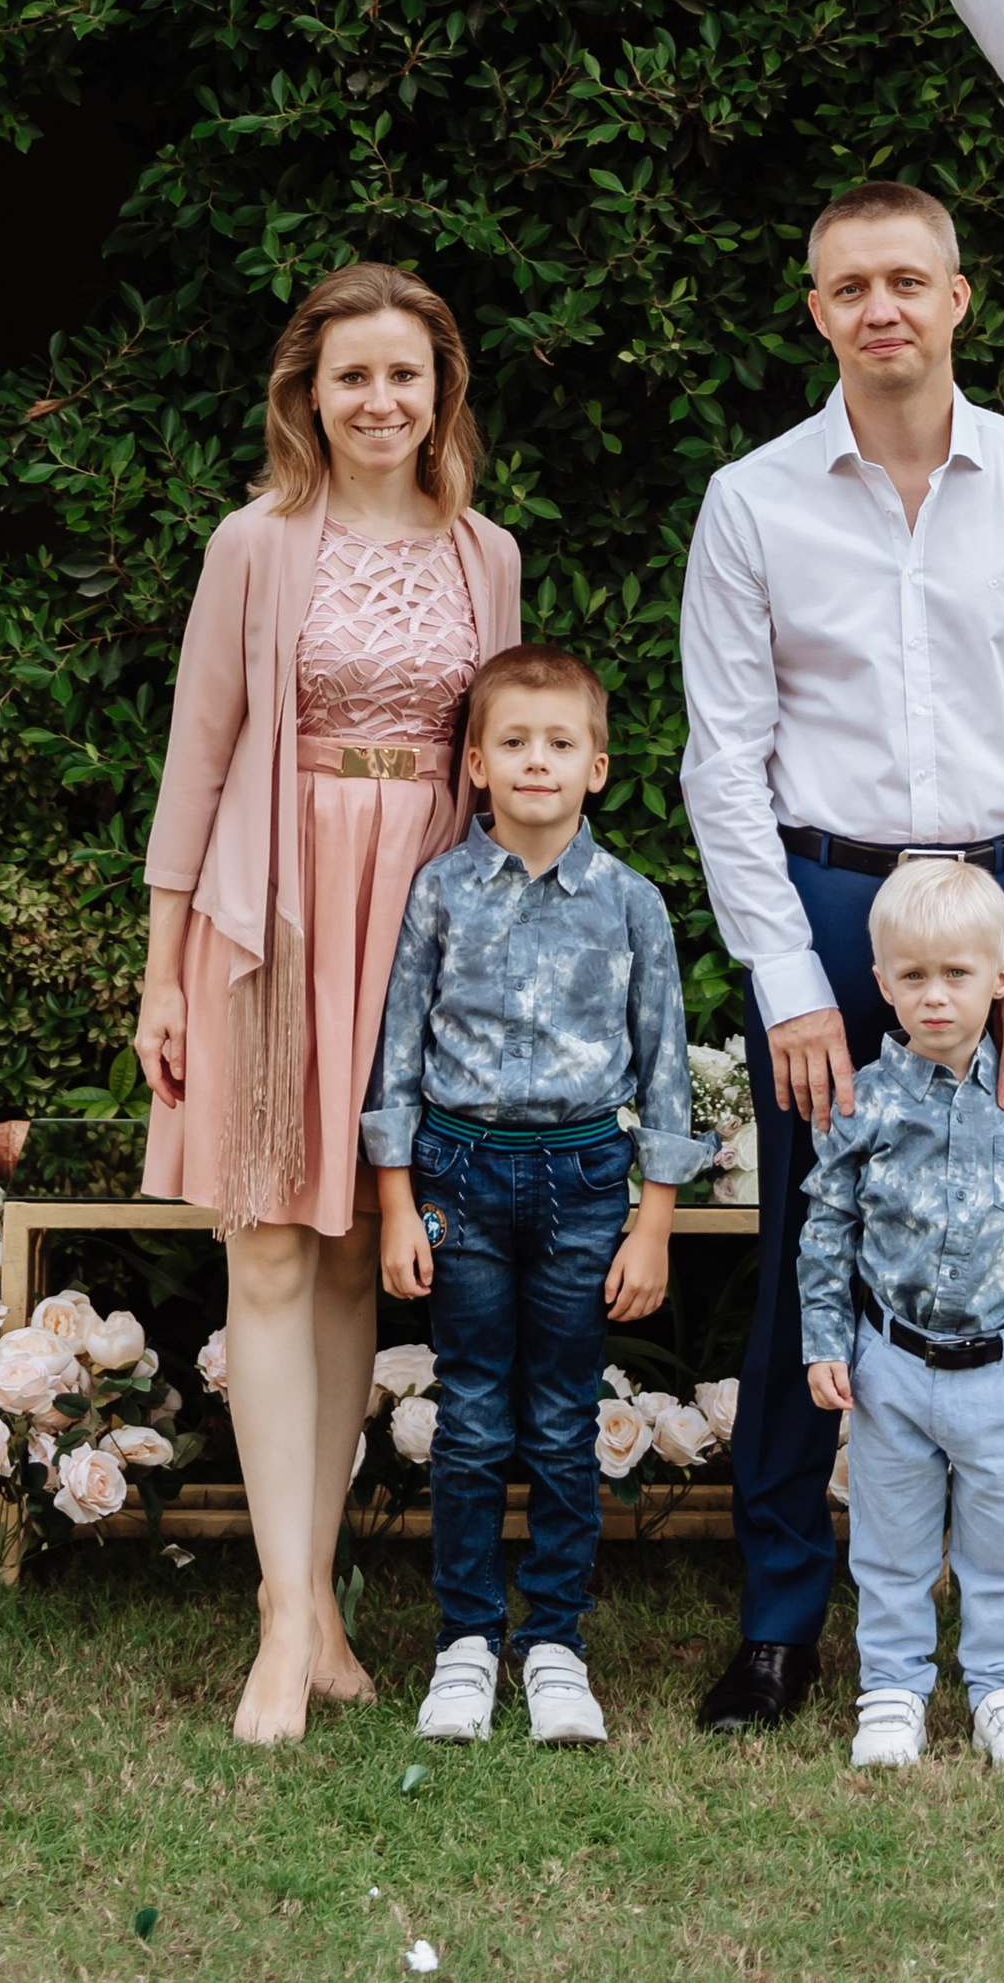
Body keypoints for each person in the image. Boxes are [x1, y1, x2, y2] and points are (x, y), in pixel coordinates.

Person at [678, 179, 1004, 1748]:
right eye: (848, 285)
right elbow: (722, 761)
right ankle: (779, 1626)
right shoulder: (752, 500)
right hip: (827, 906)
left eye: (908, 278)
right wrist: (790, 982)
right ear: (816, 308)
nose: (879, 306)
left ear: (959, 297)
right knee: (800, 1270)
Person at [133, 262, 520, 1746]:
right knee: (276, 1247)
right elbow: (197, 753)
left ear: (441, 392)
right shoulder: (258, 542)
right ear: (310, 391)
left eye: (404, 375)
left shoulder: (490, 553)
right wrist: (165, 964)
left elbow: (498, 757)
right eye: (351, 375)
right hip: (276, 907)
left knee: (361, 1251)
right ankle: (285, 1614)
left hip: (415, 914)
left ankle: (320, 1597)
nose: (379, 400)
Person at [365, 646, 706, 1750]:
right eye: (511, 741)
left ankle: (554, 1642)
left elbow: (662, 1071)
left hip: (581, 1185)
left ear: (598, 766)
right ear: (473, 763)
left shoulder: (632, 905)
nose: (536, 760)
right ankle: (465, 1641)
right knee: (469, 1422)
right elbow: (398, 1054)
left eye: (559, 742)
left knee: (561, 1423)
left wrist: (652, 1221)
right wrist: (394, 1198)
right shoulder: (439, 892)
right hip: (458, 1179)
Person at [799, 856, 1004, 1775]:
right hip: (892, 1366)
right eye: (913, 976)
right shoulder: (863, 1099)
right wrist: (825, 1342)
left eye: (957, 975)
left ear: (1003, 977)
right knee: (891, 1541)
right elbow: (827, 1227)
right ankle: (891, 1686)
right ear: (880, 981)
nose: (935, 998)